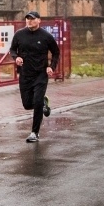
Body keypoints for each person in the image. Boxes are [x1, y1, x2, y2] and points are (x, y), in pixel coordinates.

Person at [9, 11, 60, 143]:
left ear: (39, 20)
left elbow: (56, 52)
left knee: (36, 102)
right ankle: (43, 102)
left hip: (40, 75)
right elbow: (13, 49)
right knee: (27, 104)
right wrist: (16, 57)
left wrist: (51, 67)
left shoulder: (46, 36)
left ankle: (34, 133)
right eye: (27, 19)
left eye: (32, 19)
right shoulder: (19, 35)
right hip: (25, 74)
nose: (29, 21)